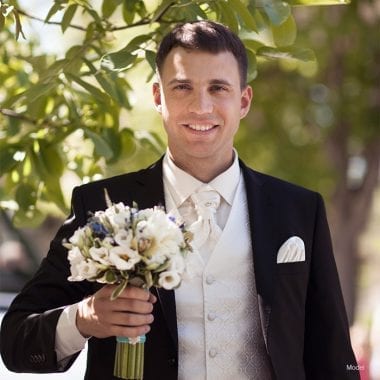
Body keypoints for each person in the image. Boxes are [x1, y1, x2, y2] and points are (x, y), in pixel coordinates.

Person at [0, 21, 359, 380]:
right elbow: (15, 341)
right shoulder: (101, 206)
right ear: (158, 97)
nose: (201, 107)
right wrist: (84, 318)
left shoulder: (299, 210)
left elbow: (332, 355)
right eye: (183, 87)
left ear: (244, 100)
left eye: (218, 88)